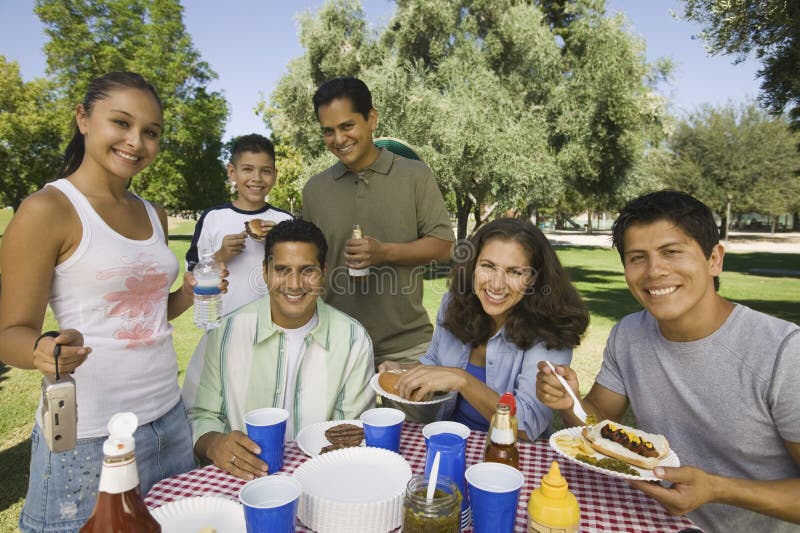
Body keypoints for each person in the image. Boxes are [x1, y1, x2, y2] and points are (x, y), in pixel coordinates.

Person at [0, 72, 211, 532]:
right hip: (90, 436)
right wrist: (45, 351)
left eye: (151, 132)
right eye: (121, 122)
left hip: (169, 420)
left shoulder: (153, 213)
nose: (136, 142)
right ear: (83, 118)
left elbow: (148, 315)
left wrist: (188, 295)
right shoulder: (48, 210)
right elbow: (9, 333)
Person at [535, 190, 800, 532]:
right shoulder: (629, 333)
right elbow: (598, 425)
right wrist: (568, 399)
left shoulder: (783, 352)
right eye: (637, 257)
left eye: (672, 252)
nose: (654, 271)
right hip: (656, 521)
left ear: (714, 259)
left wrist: (718, 489)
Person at [182, 219, 376, 480]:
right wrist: (215, 444)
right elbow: (199, 414)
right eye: (282, 270)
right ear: (265, 272)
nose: (294, 284)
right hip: (238, 481)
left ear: (323, 272)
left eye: (307, 270)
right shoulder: (224, 334)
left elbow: (348, 431)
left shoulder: (353, 340)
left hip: (321, 478)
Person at [380, 218, 589, 439]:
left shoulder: (552, 326)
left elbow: (527, 425)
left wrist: (463, 380)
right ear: (473, 266)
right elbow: (434, 361)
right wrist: (403, 370)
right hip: (450, 438)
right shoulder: (455, 302)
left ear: (534, 279)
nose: (497, 284)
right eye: (488, 266)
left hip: (510, 454)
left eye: (515, 272)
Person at [302, 77, 454, 368]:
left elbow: (444, 246)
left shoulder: (415, 176)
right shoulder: (314, 190)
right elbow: (310, 265)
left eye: (347, 126)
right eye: (328, 131)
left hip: (408, 345)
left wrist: (384, 253)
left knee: (417, 417)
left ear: (371, 119)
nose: (338, 139)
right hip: (335, 344)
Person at [186, 133, 292, 316]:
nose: (256, 178)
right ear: (232, 172)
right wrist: (221, 255)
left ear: (274, 175)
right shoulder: (213, 218)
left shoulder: (285, 221)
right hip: (223, 322)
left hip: (276, 324)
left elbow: (299, 270)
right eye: (247, 169)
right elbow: (193, 277)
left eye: (265, 171)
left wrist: (280, 241)